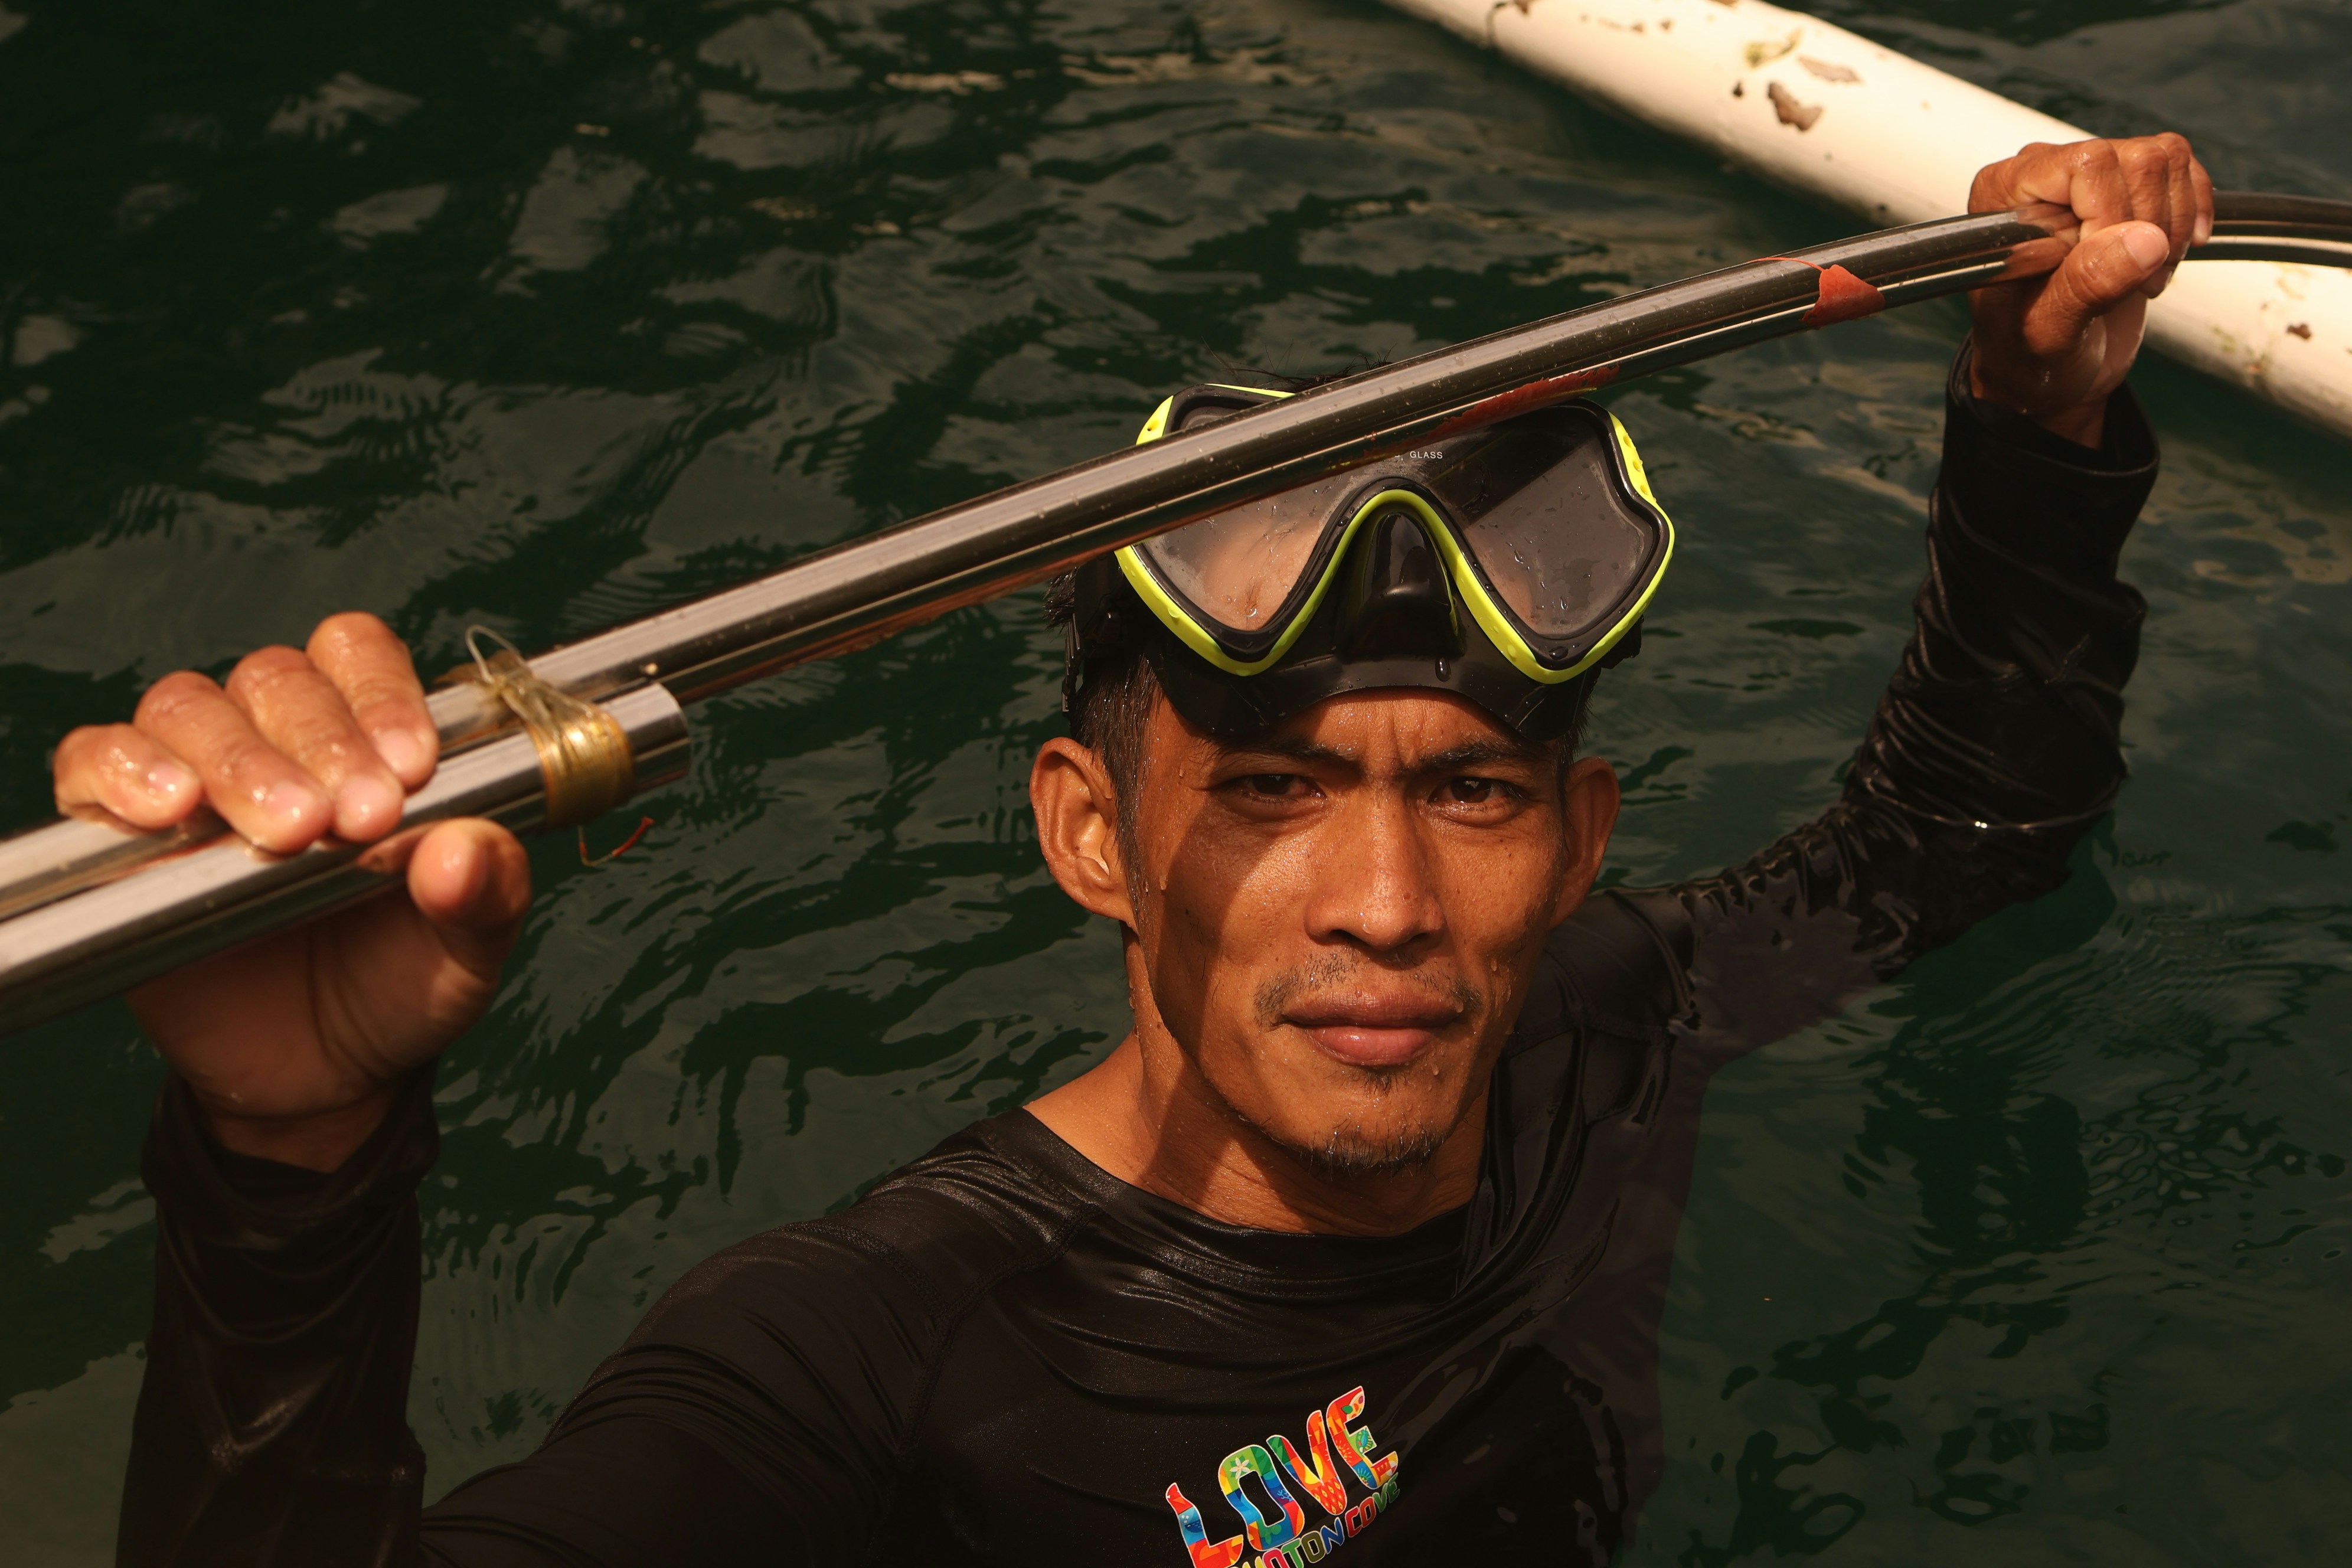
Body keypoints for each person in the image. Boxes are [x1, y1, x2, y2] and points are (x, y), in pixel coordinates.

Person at [62, 135, 2204, 1565]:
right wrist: (292, 1181)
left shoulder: (1597, 1030)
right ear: (1090, 837)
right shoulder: (865, 1363)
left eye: (1467, 790)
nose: (1386, 904)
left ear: (1576, 840)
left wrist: (2039, 423)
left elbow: (1960, 841)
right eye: (1269, 792)